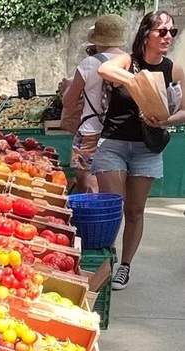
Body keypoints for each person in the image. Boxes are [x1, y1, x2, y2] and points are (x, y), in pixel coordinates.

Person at [92, 10, 185, 290]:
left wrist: (165, 119)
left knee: (135, 211)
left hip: (148, 146)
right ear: (147, 34)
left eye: (172, 32)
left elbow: (184, 111)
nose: (168, 36)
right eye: (162, 31)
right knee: (112, 206)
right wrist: (138, 83)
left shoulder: (174, 68)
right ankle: (105, 260)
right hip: (114, 143)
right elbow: (103, 70)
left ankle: (125, 266)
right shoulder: (128, 61)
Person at [61, 15, 128, 194]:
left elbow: (69, 102)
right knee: (115, 190)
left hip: (91, 132)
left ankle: (89, 219)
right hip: (121, 134)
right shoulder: (131, 62)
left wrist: (66, 88)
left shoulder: (89, 64)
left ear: (96, 38)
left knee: (88, 187)